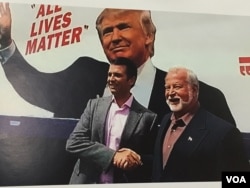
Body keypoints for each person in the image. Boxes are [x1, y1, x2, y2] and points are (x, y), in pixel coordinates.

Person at [0, 3, 236, 125]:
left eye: (123, 27)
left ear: (148, 35)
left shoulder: (204, 97)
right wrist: (5, 43)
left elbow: (233, 164)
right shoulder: (84, 74)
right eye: (106, 32)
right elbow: (36, 87)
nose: (114, 37)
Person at [66, 57, 158, 183]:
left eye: (117, 75)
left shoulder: (148, 117)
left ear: (131, 80)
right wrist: (112, 156)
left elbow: (151, 159)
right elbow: (73, 142)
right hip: (86, 181)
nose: (111, 79)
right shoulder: (94, 106)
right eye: (109, 74)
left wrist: (135, 159)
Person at [152, 67, 250, 182]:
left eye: (177, 87)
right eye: (167, 88)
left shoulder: (224, 133)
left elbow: (239, 179)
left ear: (194, 90)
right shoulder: (165, 120)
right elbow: (164, 165)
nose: (171, 92)